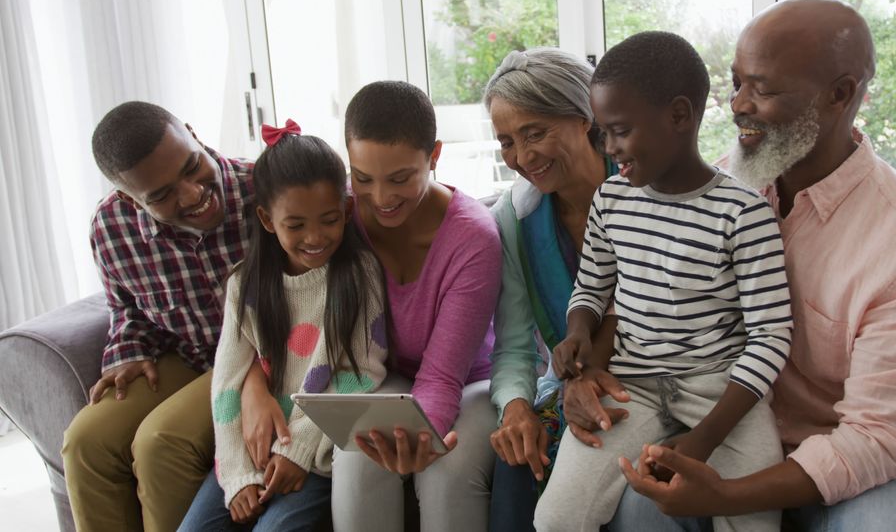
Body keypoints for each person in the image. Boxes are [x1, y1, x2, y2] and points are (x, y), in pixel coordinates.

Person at [605, 0, 896, 532]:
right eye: (735, 81)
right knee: (634, 508)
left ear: (840, 94)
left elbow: (874, 439)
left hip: (831, 450)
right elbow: (640, 300)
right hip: (711, 424)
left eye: (763, 88)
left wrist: (726, 495)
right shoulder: (712, 188)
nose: (736, 104)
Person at [533, 31, 794, 532]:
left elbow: (771, 335)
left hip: (723, 393)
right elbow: (592, 286)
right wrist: (578, 332)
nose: (610, 149)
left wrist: (705, 439)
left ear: (679, 116)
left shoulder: (743, 213)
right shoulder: (611, 200)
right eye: (601, 134)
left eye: (620, 131)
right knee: (557, 518)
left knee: (755, 524)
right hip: (633, 388)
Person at [240, 81, 502, 530]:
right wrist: (251, 385)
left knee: (445, 470)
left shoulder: (472, 238)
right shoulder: (337, 214)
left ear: (434, 156)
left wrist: (420, 438)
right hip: (384, 373)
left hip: (474, 378)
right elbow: (270, 300)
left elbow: (441, 376)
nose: (380, 198)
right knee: (359, 455)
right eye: (362, 178)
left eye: (400, 178)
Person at [179, 123, 388, 531]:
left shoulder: (359, 274)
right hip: (254, 454)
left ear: (346, 210)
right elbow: (227, 382)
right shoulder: (244, 284)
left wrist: (298, 452)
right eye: (296, 225)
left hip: (315, 453)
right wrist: (238, 475)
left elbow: (361, 376)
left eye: (329, 220)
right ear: (267, 219)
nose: (315, 237)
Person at [62, 101, 253, 531]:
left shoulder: (265, 189)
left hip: (254, 360)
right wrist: (125, 352)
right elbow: (126, 309)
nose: (192, 194)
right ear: (129, 198)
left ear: (192, 132)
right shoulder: (110, 228)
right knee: (84, 441)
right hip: (188, 356)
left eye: (191, 166)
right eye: (162, 195)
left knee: (160, 442)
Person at [483, 47, 621, 530]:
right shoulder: (514, 219)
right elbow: (516, 347)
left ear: (585, 116)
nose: (522, 158)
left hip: (652, 381)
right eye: (506, 143)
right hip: (563, 387)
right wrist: (516, 409)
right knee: (518, 452)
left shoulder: (648, 189)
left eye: (535, 133)